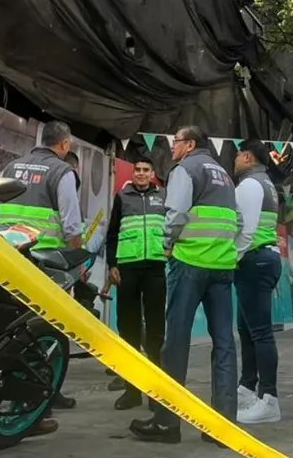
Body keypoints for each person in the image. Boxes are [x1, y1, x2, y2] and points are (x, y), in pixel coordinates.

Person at [129, 125, 240, 446]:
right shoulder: (224, 175)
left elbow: (175, 212)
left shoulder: (185, 169)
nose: (172, 148)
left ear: (189, 144)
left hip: (190, 263)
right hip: (222, 266)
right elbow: (239, 221)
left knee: (175, 343)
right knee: (225, 344)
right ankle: (223, 427)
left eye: (175, 142)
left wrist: (167, 243)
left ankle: (167, 423)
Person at [0, 121, 86, 434]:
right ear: (64, 144)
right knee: (45, 337)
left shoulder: (10, 166)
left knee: (7, 333)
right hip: (45, 267)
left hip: (6, 262)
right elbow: (72, 226)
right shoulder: (62, 173)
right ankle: (33, 411)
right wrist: (78, 262)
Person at [104, 157, 168, 410]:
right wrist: (112, 265)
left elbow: (173, 228)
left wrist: (171, 248)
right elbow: (112, 234)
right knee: (127, 329)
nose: (141, 174)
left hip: (155, 269)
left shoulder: (163, 198)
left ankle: (156, 393)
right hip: (127, 271)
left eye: (146, 170)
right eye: (138, 170)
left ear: (153, 174)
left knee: (155, 331)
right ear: (133, 173)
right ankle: (131, 391)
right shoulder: (122, 197)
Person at [232, 140, 283, 424]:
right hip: (260, 259)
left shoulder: (250, 185)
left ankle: (268, 399)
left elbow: (246, 231)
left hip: (254, 259)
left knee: (260, 333)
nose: (235, 159)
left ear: (248, 157)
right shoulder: (266, 183)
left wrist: (231, 259)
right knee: (248, 329)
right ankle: (247, 388)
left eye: (238, 154)